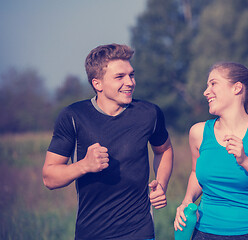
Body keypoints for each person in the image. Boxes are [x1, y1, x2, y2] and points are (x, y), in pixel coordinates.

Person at [42, 43, 173, 240]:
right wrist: (84, 165)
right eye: (120, 77)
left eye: (131, 75)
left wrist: (161, 184)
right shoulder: (74, 116)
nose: (130, 82)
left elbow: (164, 150)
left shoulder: (149, 114)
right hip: (92, 233)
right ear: (98, 84)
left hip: (140, 232)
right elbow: (49, 177)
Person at [174, 62, 248, 240]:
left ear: (236, 88)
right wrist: (187, 201)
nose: (206, 92)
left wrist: (246, 162)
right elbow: (196, 173)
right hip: (205, 233)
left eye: (213, 84)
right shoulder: (198, 132)